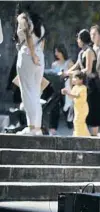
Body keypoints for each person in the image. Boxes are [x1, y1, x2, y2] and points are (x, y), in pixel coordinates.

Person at [64, 29, 100, 135]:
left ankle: (94, 135)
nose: (77, 41)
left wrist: (75, 73)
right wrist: (67, 72)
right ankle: (83, 132)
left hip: (92, 84)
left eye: (78, 39)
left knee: (93, 111)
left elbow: (88, 69)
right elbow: (77, 65)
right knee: (82, 108)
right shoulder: (81, 52)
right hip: (85, 83)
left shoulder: (89, 51)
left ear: (82, 40)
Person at [15, 8, 46, 136]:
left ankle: (31, 127)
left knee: (27, 92)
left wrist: (32, 54)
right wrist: (37, 55)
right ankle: (37, 127)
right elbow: (43, 40)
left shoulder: (23, 18)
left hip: (28, 55)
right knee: (35, 92)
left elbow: (27, 35)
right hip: (39, 56)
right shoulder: (39, 22)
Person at [48, 44, 74, 135]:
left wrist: (71, 89)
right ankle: (53, 128)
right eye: (55, 52)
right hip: (56, 88)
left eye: (58, 51)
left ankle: (71, 125)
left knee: (67, 107)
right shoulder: (54, 64)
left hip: (66, 87)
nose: (56, 54)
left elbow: (72, 76)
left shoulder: (69, 62)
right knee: (54, 107)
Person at [61, 71, 90, 137]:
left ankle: (77, 135)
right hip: (77, 108)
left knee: (77, 121)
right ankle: (85, 135)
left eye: (75, 78)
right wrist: (65, 92)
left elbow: (76, 95)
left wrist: (68, 93)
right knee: (79, 122)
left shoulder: (83, 88)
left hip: (82, 108)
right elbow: (71, 96)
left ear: (81, 80)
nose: (73, 79)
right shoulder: (75, 87)